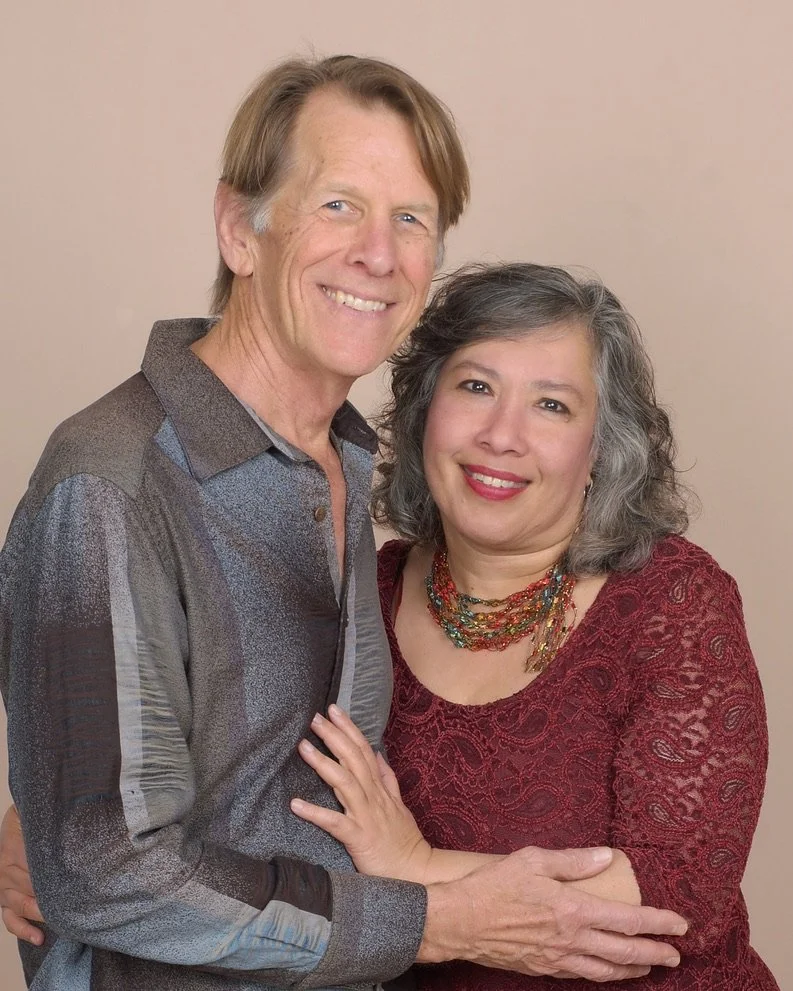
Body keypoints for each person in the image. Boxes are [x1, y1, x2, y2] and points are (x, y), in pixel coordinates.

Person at [0, 57, 688, 989]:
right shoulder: (111, 480)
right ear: (240, 231)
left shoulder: (342, 475)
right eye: (337, 205)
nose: (378, 253)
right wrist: (431, 922)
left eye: (412, 219)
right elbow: (107, 872)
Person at [288, 263, 779, 989]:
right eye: (476, 387)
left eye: (550, 405)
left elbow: (675, 898)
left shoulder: (670, 600)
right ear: (424, 411)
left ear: (598, 452)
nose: (500, 435)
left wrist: (415, 867)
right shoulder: (366, 589)